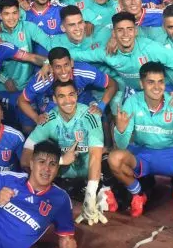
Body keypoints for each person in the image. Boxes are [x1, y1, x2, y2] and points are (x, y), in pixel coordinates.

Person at [107, 62, 173, 218]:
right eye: (151, 82)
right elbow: (122, 145)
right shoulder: (132, 101)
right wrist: (121, 129)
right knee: (114, 158)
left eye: (160, 81)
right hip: (143, 154)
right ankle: (138, 195)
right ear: (141, 83)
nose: (157, 87)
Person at [23, 80, 112, 224]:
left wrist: (90, 193)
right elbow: (25, 158)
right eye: (61, 96)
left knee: (108, 161)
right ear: (54, 99)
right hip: (63, 175)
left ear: (77, 95)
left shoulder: (91, 116)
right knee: (42, 154)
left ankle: (95, 190)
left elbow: (95, 156)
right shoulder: (48, 119)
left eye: (71, 95)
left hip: (90, 171)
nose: (68, 101)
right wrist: (62, 160)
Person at [17, 47, 117, 130]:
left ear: (72, 63)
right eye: (58, 67)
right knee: (51, 127)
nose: (64, 71)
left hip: (81, 98)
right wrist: (36, 117)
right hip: (53, 103)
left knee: (97, 117)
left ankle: (105, 150)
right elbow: (21, 100)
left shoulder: (84, 71)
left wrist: (101, 106)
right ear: (51, 68)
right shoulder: (43, 79)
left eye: (66, 65)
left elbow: (113, 85)